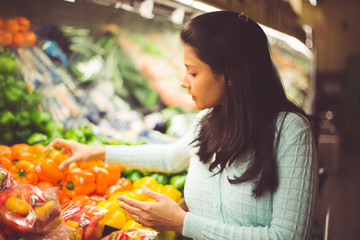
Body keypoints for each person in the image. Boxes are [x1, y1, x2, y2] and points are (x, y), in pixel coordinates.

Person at [46, 11, 318, 240]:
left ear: (231, 75)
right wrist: (96, 152)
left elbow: (287, 235)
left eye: (193, 72)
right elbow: (169, 157)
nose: (183, 81)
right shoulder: (209, 120)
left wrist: (182, 223)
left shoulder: (291, 132)